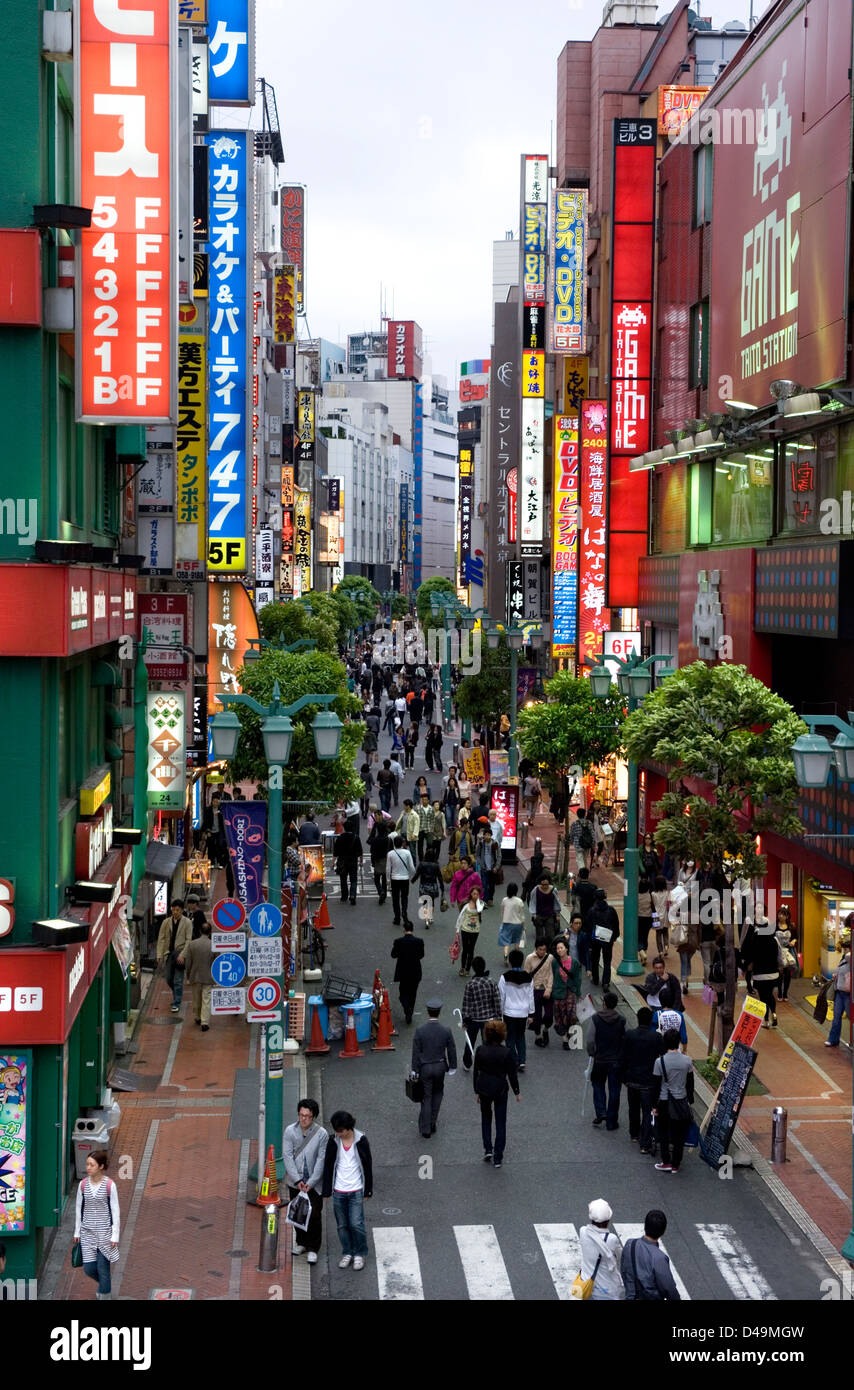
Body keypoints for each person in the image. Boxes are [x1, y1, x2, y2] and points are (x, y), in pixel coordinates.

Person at [321, 1111, 373, 1271]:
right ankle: (347, 1252)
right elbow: (328, 1166)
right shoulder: (333, 1141)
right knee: (342, 1225)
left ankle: (360, 1253)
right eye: (336, 1130)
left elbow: (367, 1165)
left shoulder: (361, 1140)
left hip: (356, 1189)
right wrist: (327, 1190)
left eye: (340, 1130)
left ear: (348, 1128)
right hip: (338, 1190)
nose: (338, 1133)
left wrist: (368, 1190)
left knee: (356, 1223)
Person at [283, 1098, 326, 1265]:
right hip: (296, 1180)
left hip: (314, 1182)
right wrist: (297, 1179)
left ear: (313, 1116)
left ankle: (313, 1248)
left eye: (307, 1116)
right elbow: (287, 1156)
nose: (303, 1119)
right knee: (297, 1212)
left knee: (314, 1214)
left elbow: (321, 1159)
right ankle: (301, 1242)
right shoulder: (290, 1131)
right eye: (301, 1115)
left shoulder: (321, 1134)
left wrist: (312, 1181)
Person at [473, 1018, 521, 1167]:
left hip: (484, 1088)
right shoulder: (506, 1052)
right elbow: (512, 1074)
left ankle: (488, 1148)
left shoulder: (481, 1050)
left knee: (486, 1119)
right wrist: (517, 1092)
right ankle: (498, 1157)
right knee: (501, 1122)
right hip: (500, 1089)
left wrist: (477, 1090)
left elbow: (476, 1072)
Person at [73, 1150, 120, 1300]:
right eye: (87, 1164)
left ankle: (105, 1294)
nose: (88, 1167)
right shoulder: (82, 1185)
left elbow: (115, 1211)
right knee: (89, 1269)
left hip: (105, 1234)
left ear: (101, 1166)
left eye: (91, 1165)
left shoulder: (110, 1185)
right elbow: (78, 1209)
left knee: (102, 1268)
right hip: (87, 1234)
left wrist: (115, 1235)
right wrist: (77, 1232)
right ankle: (105, 1284)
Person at [411, 999, 457, 1137]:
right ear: (439, 1011)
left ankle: (425, 1129)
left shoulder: (420, 1031)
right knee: (438, 1093)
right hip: (440, 1066)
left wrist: (415, 1069)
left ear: (427, 1011)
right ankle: (432, 1122)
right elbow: (452, 1049)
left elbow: (416, 1052)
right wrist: (452, 1066)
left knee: (426, 1097)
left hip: (425, 1067)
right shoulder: (446, 1030)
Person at [620, 1007, 663, 1154]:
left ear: (638, 1018)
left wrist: (623, 1077)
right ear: (651, 1020)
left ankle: (634, 1134)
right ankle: (644, 1144)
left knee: (633, 1107)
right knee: (647, 1111)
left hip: (632, 1079)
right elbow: (661, 1057)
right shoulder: (656, 1037)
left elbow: (623, 1057)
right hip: (649, 1081)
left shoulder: (630, 1035)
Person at [652, 1028, 695, 1173]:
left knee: (663, 1132)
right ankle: (676, 1164)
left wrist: (654, 1105)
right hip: (681, 1101)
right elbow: (690, 1084)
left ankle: (666, 1161)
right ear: (678, 1042)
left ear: (665, 1042)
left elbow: (656, 1085)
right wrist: (690, 1102)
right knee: (679, 1134)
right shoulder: (687, 1061)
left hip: (664, 1101)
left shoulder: (659, 1062)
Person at [620, 1210, 681, 1300]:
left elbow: (624, 1271)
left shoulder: (630, 1244)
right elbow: (668, 1288)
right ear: (663, 1231)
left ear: (645, 1226)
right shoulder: (659, 1258)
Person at [588, 991, 626, 1131]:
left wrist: (592, 1053)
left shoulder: (596, 1019)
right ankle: (611, 1121)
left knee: (597, 1084)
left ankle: (601, 1111)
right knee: (614, 1090)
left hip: (600, 1059)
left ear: (604, 1003)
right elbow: (625, 1040)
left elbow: (590, 1040)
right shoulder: (621, 1020)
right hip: (615, 1061)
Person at [740, 911, 780, 1027]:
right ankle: (774, 1014)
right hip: (773, 973)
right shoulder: (774, 940)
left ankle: (766, 1021)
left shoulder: (755, 940)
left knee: (763, 997)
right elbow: (780, 956)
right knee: (770, 994)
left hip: (760, 974)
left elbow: (750, 955)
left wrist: (744, 967)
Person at [579, 1199, 625, 1301]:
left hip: (586, 1284)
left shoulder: (583, 1231)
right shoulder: (611, 1239)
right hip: (605, 1290)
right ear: (608, 1220)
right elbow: (620, 1255)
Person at [461, 957, 502, 1065]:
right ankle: (487, 1063)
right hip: (488, 1019)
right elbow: (497, 1001)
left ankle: (467, 1063)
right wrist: (498, 1017)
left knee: (470, 1042)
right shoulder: (491, 982)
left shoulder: (470, 984)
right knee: (488, 1043)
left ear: (473, 969)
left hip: (474, 1020)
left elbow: (466, 1004)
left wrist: (465, 1020)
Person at [499, 948, 535, 1072]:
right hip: (523, 1012)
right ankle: (522, 1060)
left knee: (509, 1038)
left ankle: (514, 1060)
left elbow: (501, 996)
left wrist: (500, 1013)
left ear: (510, 961)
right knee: (521, 1036)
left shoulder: (505, 977)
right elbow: (531, 996)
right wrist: (531, 1013)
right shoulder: (529, 978)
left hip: (509, 1012)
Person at [156, 898, 192, 1014]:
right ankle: (177, 994)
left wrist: (183, 955)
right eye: (173, 910)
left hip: (180, 953)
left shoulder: (187, 922)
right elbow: (161, 939)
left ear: (181, 910)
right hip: (169, 954)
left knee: (178, 979)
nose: (175, 912)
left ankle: (176, 1002)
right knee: (168, 978)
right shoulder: (166, 922)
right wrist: (159, 954)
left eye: (177, 910)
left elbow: (188, 940)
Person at [178, 921, 214, 1031]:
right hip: (208, 976)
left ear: (199, 931)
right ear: (210, 932)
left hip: (195, 975)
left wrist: (188, 975)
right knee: (206, 999)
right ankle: (205, 1022)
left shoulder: (192, 944)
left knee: (196, 998)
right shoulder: (213, 945)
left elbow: (188, 962)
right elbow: (216, 962)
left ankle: (197, 1017)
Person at [549, 936, 582, 1049]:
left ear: (566, 948)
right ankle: (564, 1039)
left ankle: (568, 1030)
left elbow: (578, 978)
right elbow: (552, 976)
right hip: (558, 991)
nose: (559, 950)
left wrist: (578, 992)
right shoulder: (554, 963)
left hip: (570, 991)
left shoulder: (575, 963)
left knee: (571, 1015)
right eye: (558, 949)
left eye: (561, 948)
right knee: (559, 1016)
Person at [391, 920, 425, 1024]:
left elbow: (393, 955)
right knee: (413, 993)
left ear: (404, 929)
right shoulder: (419, 941)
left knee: (403, 993)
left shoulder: (398, 941)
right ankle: (409, 1012)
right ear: (412, 929)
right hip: (415, 971)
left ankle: (407, 1010)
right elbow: (421, 955)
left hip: (403, 971)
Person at [587, 888, 620, 989]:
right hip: (608, 938)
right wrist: (614, 937)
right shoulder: (611, 910)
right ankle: (606, 982)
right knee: (607, 961)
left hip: (595, 939)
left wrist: (590, 940)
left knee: (595, 959)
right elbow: (616, 924)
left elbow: (588, 926)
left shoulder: (592, 910)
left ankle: (595, 979)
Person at [825, 927, 851, 1047]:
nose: (845, 951)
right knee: (836, 1017)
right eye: (845, 949)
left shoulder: (850, 959)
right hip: (840, 992)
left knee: (851, 1018)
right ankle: (833, 1039)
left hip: (849, 994)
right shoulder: (843, 959)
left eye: (846, 949)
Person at [525, 941, 554, 1046]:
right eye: (540, 949)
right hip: (534, 990)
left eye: (544, 950)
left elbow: (551, 974)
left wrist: (549, 989)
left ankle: (545, 1029)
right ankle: (538, 1036)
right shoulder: (529, 958)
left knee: (549, 1016)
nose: (542, 952)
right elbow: (527, 976)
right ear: (536, 948)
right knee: (536, 1016)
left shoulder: (550, 958)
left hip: (546, 989)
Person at [455, 885, 485, 977]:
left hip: (475, 930)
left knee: (471, 949)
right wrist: (457, 930)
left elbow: (479, 909)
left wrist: (478, 900)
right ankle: (462, 968)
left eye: (477, 894)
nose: (475, 895)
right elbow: (461, 917)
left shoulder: (481, 904)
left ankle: (468, 969)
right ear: (471, 894)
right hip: (465, 929)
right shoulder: (466, 905)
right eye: (474, 893)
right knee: (465, 949)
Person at [387, 835, 416, 927]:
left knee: (395, 899)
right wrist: (414, 875)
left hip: (394, 879)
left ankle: (397, 917)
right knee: (404, 897)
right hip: (405, 879)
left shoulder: (390, 853)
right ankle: (404, 913)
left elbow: (388, 868)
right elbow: (411, 866)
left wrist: (388, 879)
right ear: (402, 843)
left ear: (394, 844)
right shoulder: (407, 853)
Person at [411, 847, 443, 928]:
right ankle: (430, 917)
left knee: (425, 902)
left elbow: (417, 874)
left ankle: (426, 918)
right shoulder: (436, 865)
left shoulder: (422, 864)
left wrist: (412, 880)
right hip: (432, 886)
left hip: (424, 886)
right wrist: (441, 886)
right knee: (431, 902)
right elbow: (439, 877)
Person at [333, 825, 363, 906]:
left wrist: (332, 863)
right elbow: (360, 851)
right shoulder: (356, 837)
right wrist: (360, 861)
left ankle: (344, 896)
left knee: (343, 879)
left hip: (342, 862)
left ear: (344, 828)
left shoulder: (340, 838)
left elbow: (335, 852)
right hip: (353, 861)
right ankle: (353, 895)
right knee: (353, 880)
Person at [368, 813, 392, 904]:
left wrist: (373, 862)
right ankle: (384, 893)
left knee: (377, 879)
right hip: (386, 862)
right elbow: (391, 852)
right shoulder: (388, 839)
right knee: (385, 880)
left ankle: (380, 891)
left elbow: (372, 853)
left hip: (378, 861)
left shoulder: (375, 840)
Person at [498, 884, 527, 960]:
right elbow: (522, 915)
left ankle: (505, 955)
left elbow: (502, 912)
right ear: (516, 891)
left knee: (506, 941)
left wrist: (503, 921)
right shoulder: (519, 901)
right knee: (517, 940)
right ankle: (516, 957)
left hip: (507, 923)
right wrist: (524, 926)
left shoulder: (504, 900)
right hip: (518, 924)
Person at [775, 908, 798, 1002]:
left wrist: (794, 941)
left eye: (783, 914)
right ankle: (780, 992)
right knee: (779, 973)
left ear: (787, 916)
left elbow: (796, 937)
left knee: (788, 973)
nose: (781, 916)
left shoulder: (791, 926)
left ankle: (785, 993)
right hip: (778, 952)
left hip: (789, 952)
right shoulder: (774, 926)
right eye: (779, 914)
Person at [531, 875, 561, 944]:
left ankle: (549, 951)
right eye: (543, 885)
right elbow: (532, 902)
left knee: (550, 935)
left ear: (549, 883)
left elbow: (556, 902)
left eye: (546, 884)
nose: (544, 886)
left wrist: (557, 914)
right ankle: (539, 950)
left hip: (549, 915)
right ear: (540, 884)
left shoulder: (553, 890)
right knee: (539, 936)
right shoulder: (536, 890)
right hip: (539, 915)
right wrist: (533, 913)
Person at [476, 827, 500, 907]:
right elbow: (478, 855)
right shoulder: (480, 844)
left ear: (491, 835)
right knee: (484, 885)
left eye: (488, 835)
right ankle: (485, 900)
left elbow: (499, 856)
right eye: (485, 835)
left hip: (492, 868)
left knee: (492, 885)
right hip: (484, 868)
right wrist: (480, 864)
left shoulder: (495, 844)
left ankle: (490, 898)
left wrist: (496, 867)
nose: (487, 836)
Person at [651, 876, 670, 957]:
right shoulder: (667, 893)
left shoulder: (653, 894)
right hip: (665, 914)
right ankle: (666, 946)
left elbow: (652, 904)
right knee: (665, 932)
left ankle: (660, 951)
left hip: (656, 915)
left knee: (658, 933)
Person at [637, 876, 654, 963]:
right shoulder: (650, 896)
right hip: (648, 919)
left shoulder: (636, 896)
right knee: (645, 937)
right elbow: (653, 908)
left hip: (639, 918)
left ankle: (642, 953)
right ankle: (644, 958)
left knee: (638, 937)